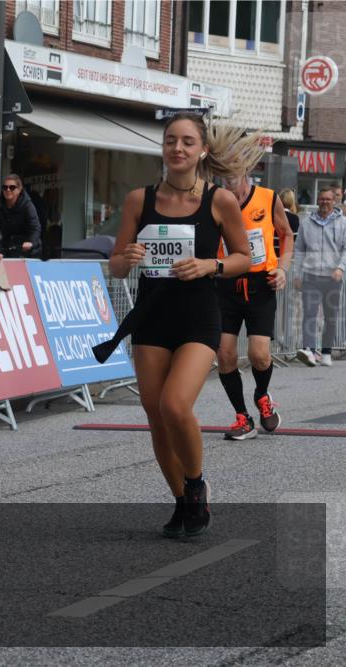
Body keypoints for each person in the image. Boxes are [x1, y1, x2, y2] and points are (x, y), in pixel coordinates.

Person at [94, 113, 253, 538]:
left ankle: (196, 483)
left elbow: (244, 257)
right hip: (153, 317)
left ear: (201, 150)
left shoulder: (219, 201)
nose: (177, 149)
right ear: (162, 148)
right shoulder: (137, 200)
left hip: (199, 316)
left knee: (174, 405)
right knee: (155, 415)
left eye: (186, 142)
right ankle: (181, 503)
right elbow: (116, 265)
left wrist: (210, 264)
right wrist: (124, 260)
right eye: (170, 141)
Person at [214, 175, 294, 441]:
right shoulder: (215, 200)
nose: (228, 177)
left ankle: (262, 395)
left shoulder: (268, 198)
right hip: (226, 284)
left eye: (233, 170)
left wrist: (282, 268)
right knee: (225, 354)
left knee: (259, 355)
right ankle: (242, 417)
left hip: (262, 284)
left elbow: (287, 235)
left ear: (245, 169)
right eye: (222, 172)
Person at [295, 187, 346, 367]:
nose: (325, 202)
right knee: (309, 314)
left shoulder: (343, 223)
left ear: (334, 201)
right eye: (322, 199)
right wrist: (297, 274)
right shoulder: (306, 222)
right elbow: (299, 249)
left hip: (333, 278)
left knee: (330, 317)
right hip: (311, 276)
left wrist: (340, 268)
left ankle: (326, 352)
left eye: (328, 199)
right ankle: (309, 350)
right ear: (318, 200)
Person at [0, 174, 42, 258]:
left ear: (19, 190)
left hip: (26, 249)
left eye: (12, 187)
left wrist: (31, 242)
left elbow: (35, 227)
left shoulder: (27, 205)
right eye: (5, 187)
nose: (8, 190)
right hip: (8, 247)